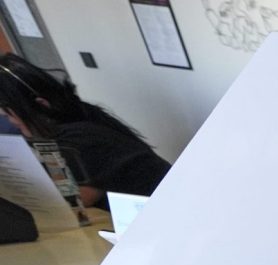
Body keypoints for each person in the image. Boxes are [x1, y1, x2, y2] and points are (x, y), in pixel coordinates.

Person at [0, 54, 170, 208]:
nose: (11, 122)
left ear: (41, 105)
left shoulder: (78, 138)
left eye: (9, 115)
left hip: (163, 212)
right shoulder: (77, 119)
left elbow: (76, 201)